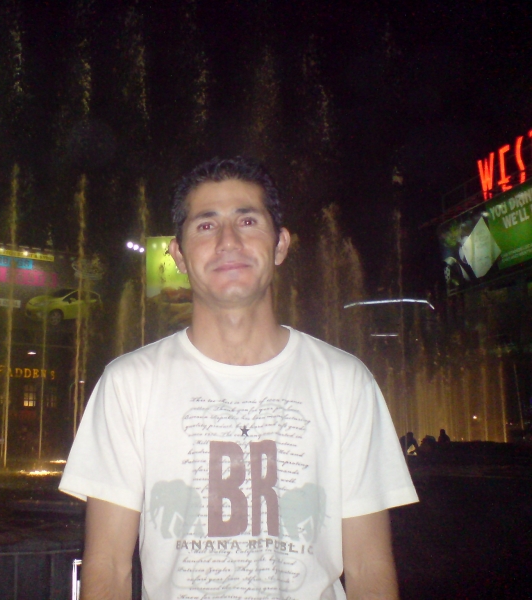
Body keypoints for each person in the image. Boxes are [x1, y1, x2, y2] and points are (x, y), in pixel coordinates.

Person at [59, 157, 418, 599]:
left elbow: (368, 566)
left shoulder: (345, 382)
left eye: (247, 221)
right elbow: (109, 567)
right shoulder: (129, 384)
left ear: (280, 245)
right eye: (206, 226)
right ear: (178, 255)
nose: (228, 241)